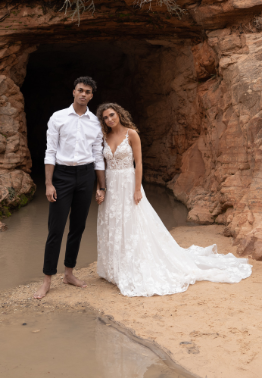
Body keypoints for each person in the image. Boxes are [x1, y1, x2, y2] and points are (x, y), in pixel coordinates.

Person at [95, 103, 252, 297]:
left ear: (119, 114)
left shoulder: (131, 134)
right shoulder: (104, 137)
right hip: (111, 184)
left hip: (127, 183)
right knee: (113, 223)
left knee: (132, 222)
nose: (110, 119)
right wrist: (99, 187)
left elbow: (139, 162)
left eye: (112, 115)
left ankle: (132, 264)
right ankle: (114, 267)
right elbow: (100, 164)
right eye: (105, 118)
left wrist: (137, 189)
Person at [33, 76, 106, 300]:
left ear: (92, 96)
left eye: (88, 92)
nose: (83, 94)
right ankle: (47, 280)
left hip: (85, 176)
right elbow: (50, 152)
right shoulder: (58, 117)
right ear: (73, 92)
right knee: (55, 229)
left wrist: (101, 186)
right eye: (80, 90)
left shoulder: (95, 122)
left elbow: (97, 155)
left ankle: (69, 273)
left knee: (78, 227)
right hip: (62, 176)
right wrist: (48, 183)